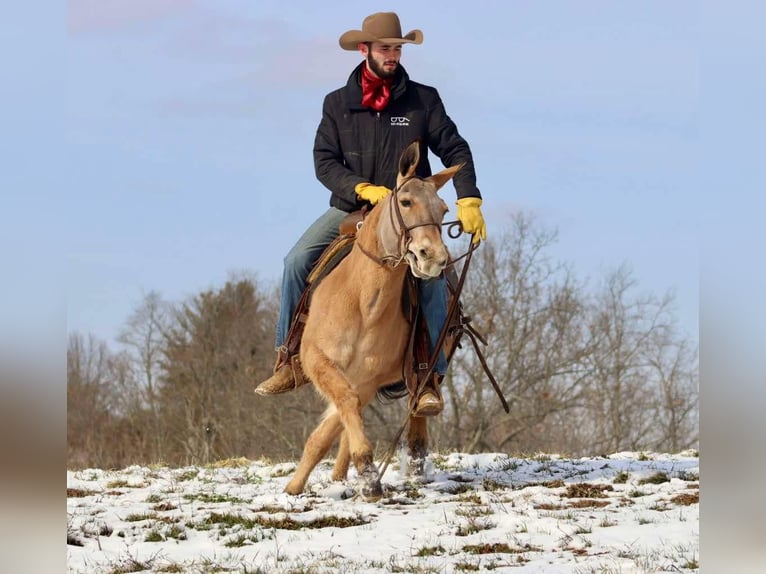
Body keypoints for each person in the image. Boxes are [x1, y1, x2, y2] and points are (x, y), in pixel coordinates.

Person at [255, 12, 486, 416]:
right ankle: (289, 358)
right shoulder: (337, 104)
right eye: (385, 49)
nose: (392, 56)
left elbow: (456, 150)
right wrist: (359, 188)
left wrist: (469, 198)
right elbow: (324, 161)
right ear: (365, 51)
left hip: (412, 213)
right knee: (295, 262)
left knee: (433, 280)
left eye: (397, 49)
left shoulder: (423, 100)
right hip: (353, 208)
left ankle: (426, 377)